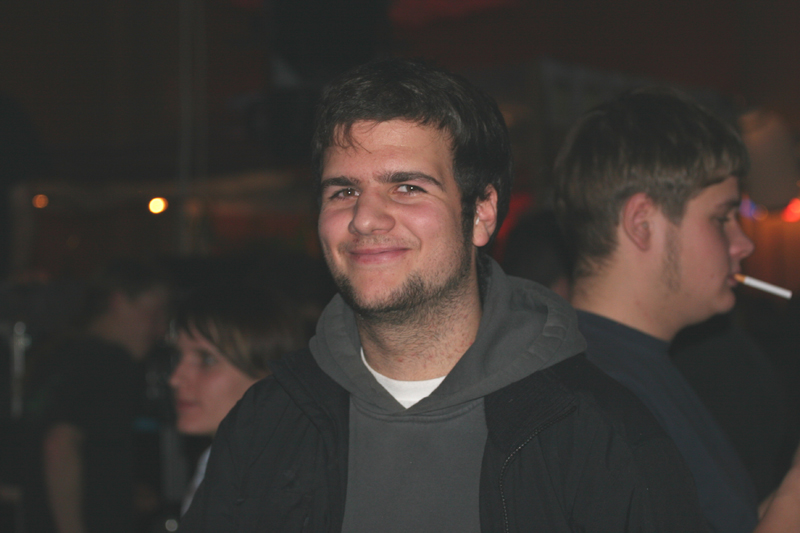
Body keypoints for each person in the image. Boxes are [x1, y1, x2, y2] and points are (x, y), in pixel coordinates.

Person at [179, 58, 707, 532]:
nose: (364, 218)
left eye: (407, 187)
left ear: (481, 213)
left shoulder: (598, 434)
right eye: (344, 191)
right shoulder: (266, 425)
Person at [553, 87, 800, 532]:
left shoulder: (636, 365)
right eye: (722, 217)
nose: (744, 244)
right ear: (642, 223)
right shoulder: (592, 401)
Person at [23, 259, 169, 533]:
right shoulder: (111, 362)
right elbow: (59, 445)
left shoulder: (55, 356)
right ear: (118, 302)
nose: (161, 329)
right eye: (155, 314)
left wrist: (122, 491)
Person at [168, 285, 306, 515]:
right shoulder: (218, 463)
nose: (175, 378)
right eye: (178, 356)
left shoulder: (280, 485)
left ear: (268, 375)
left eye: (207, 360)